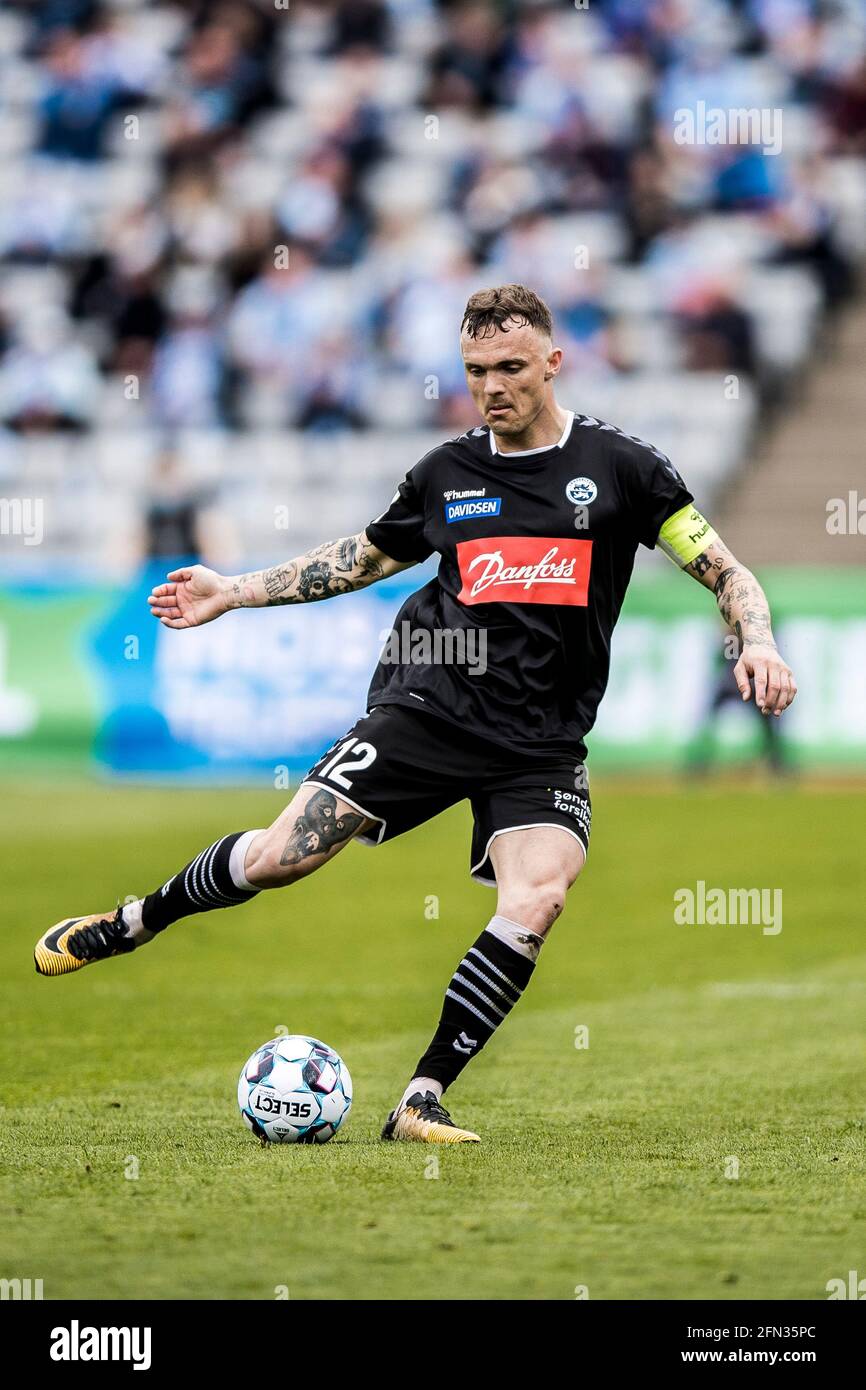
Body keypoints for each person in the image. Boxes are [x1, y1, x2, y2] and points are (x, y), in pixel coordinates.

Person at [34, 284, 798, 1144]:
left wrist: (757, 642)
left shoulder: (624, 468)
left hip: (541, 741)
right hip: (428, 704)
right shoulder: (447, 473)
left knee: (539, 896)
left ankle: (421, 1097)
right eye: (477, 371)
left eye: (512, 367)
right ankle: (137, 920)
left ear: (554, 362)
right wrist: (236, 591)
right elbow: (361, 558)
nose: (493, 386)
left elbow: (728, 571)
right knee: (282, 857)